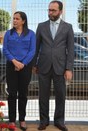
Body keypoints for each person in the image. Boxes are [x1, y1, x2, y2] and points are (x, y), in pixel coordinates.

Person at [33, 1, 74, 131]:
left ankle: (59, 121)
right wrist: (34, 64)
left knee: (60, 96)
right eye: (49, 10)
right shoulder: (41, 26)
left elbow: (71, 49)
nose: (50, 12)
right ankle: (44, 121)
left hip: (60, 67)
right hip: (43, 66)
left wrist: (68, 68)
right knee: (43, 96)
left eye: (53, 10)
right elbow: (36, 47)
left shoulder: (68, 27)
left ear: (60, 11)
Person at [3, 11, 36, 130]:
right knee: (11, 94)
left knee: (23, 94)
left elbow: (32, 51)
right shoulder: (8, 34)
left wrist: (23, 63)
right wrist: (15, 62)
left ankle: (22, 119)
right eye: (14, 18)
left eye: (17, 19)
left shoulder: (31, 34)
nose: (14, 21)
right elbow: (5, 50)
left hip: (25, 68)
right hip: (11, 67)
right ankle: (12, 120)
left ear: (23, 21)